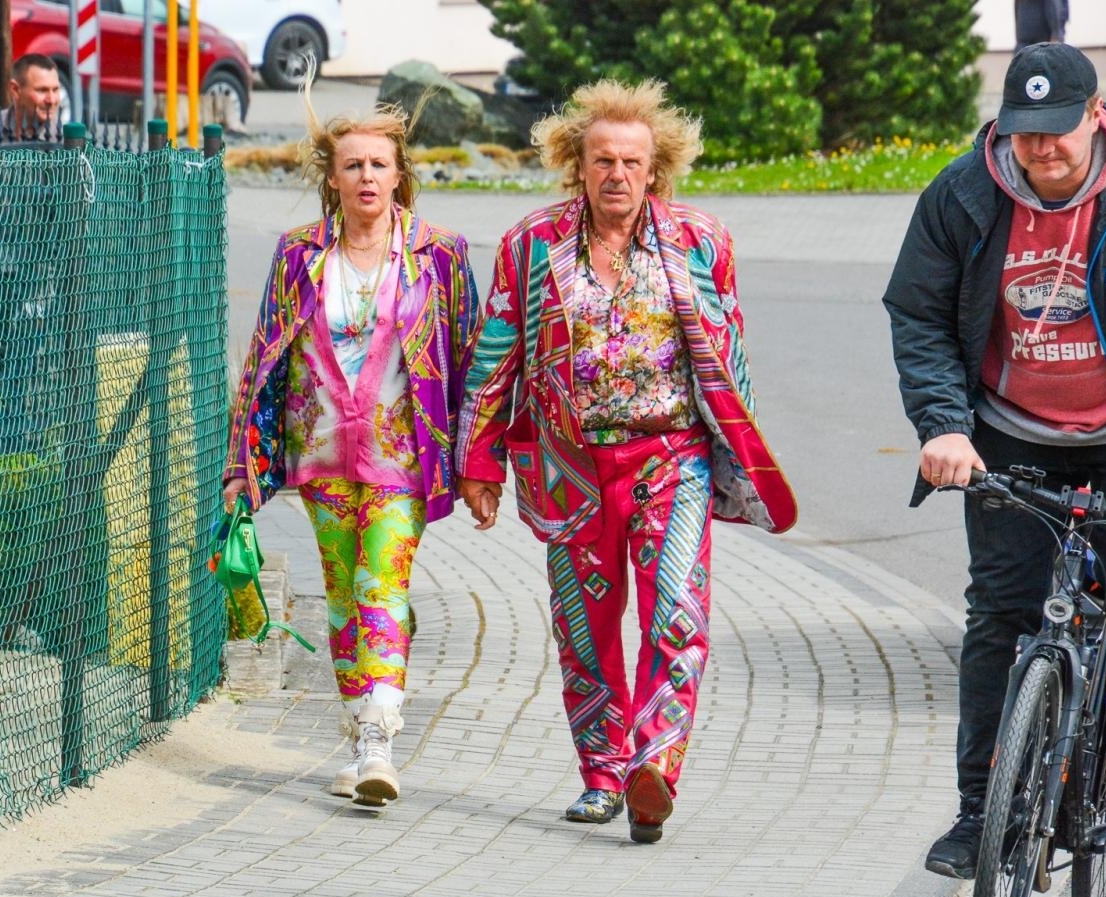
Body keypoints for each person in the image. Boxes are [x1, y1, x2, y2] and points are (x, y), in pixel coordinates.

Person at [885, 43, 1106, 879]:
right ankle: (976, 813)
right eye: (1027, 135)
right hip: (1007, 431)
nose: (1043, 150)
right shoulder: (963, 193)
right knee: (999, 612)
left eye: (1058, 133)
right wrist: (944, 425)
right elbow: (917, 313)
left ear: (1096, 114)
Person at [454, 80, 797, 844]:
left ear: (656, 169)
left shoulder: (700, 242)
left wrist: (739, 454)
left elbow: (730, 353)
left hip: (671, 457)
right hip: (570, 465)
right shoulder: (532, 244)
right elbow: (494, 357)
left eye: (631, 162)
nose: (616, 173)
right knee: (586, 629)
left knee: (676, 610)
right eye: (601, 159)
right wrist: (478, 459)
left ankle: (655, 766)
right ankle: (603, 774)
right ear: (576, 165)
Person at [222, 91, 480, 809]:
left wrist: (482, 464)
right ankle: (357, 725)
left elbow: (470, 361)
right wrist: (242, 465)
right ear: (330, 177)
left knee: (381, 584)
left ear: (401, 175)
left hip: (404, 458)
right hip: (322, 458)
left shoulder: (440, 256)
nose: (367, 176)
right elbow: (264, 359)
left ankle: (379, 737)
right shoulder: (299, 256)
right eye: (352, 165)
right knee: (340, 598)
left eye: (379, 164)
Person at [0, 54, 64, 146]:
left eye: (55, 90)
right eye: (42, 90)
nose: (51, 100)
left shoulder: (65, 140)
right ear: (15, 90)